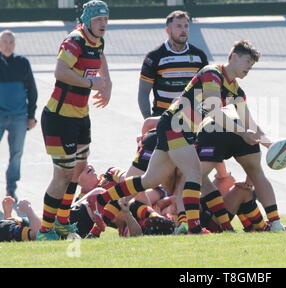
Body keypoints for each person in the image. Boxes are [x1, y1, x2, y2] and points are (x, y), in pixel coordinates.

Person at [88, 40, 263, 235]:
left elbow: (250, 122)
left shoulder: (236, 90)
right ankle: (193, 227)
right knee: (195, 172)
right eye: (247, 61)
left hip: (180, 129)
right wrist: (242, 133)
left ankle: (101, 200)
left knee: (149, 180)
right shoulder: (212, 74)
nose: (249, 67)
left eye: (252, 64)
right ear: (233, 57)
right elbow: (215, 111)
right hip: (175, 124)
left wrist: (267, 141)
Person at [37, 0, 112, 241]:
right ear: (88, 20)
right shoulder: (75, 41)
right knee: (63, 173)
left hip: (81, 116)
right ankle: (45, 230)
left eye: (105, 19)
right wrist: (92, 83)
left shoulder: (96, 40)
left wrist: (107, 83)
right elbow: (60, 71)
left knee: (78, 170)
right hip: (59, 118)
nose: (103, 24)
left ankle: (62, 221)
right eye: (98, 19)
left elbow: (100, 56)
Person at [195, 104, 286, 232]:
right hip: (241, 126)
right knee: (256, 176)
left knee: (196, 178)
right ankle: (274, 223)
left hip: (212, 127)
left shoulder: (197, 103)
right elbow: (253, 127)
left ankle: (189, 224)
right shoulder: (234, 92)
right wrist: (270, 145)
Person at [138, 10, 209, 118]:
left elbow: (208, 88)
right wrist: (148, 120)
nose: (183, 30)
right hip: (162, 117)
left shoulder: (199, 56)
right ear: (168, 30)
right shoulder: (154, 57)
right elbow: (143, 93)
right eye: (178, 26)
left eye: (186, 26)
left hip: (192, 118)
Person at [0, 30, 38, 201]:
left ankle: (11, 189)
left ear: (14, 44)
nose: (8, 44)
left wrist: (31, 116)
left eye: (11, 41)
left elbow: (32, 91)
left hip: (19, 117)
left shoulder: (23, 63)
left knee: (16, 154)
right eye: (5, 41)